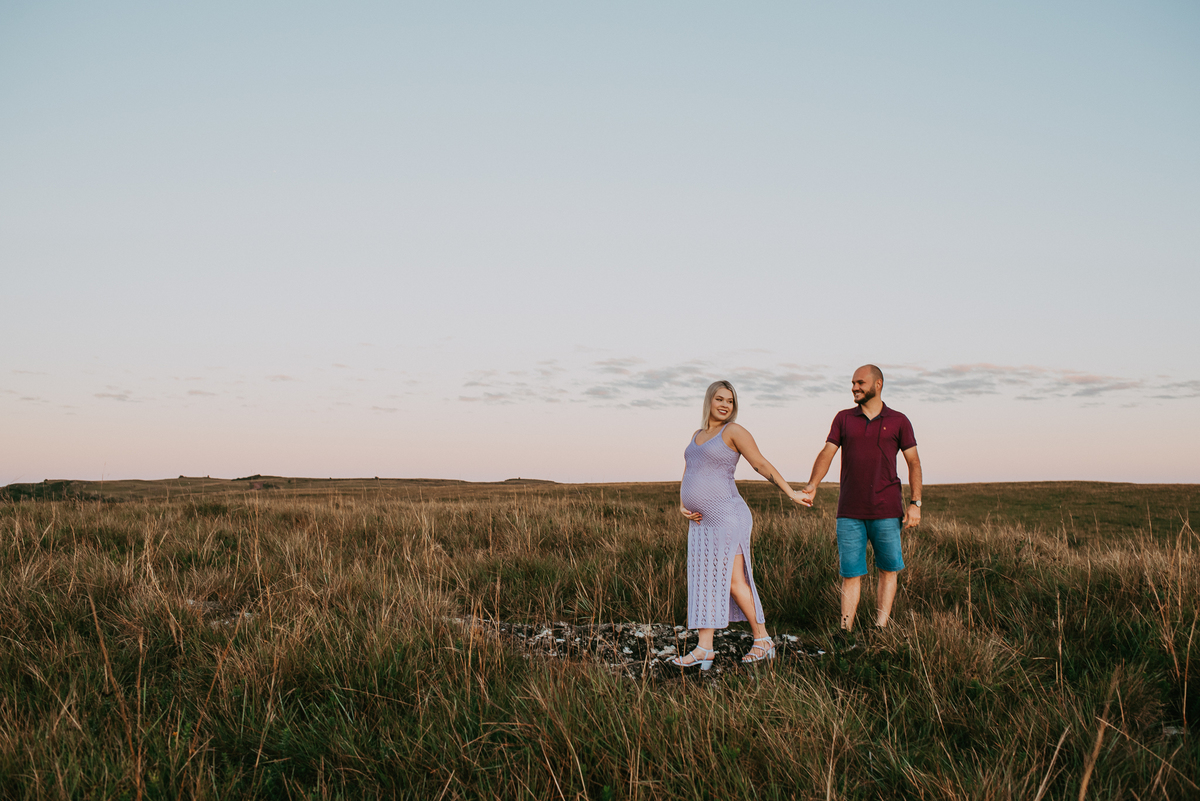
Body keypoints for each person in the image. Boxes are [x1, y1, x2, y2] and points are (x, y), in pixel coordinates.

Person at [672, 380, 809, 670]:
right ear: (709, 400)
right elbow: (690, 470)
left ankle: (762, 640)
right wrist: (682, 503)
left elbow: (760, 463)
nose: (724, 405)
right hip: (700, 521)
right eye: (719, 399)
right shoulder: (697, 434)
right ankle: (704, 648)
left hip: (727, 516)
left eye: (730, 401)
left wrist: (790, 491)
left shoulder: (732, 431)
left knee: (734, 581)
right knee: (703, 581)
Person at [799, 365, 922, 636]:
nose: (854, 387)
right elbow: (827, 452)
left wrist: (915, 503)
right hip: (850, 511)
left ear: (878, 384)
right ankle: (844, 630)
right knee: (850, 573)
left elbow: (913, 461)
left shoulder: (899, 420)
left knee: (888, 570)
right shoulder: (843, 419)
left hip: (887, 510)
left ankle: (880, 628)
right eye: (853, 383)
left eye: (860, 383)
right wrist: (812, 485)